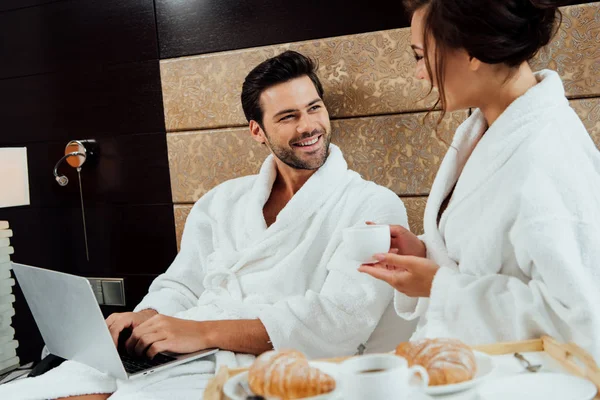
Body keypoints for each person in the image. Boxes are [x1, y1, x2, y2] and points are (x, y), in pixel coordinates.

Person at [2, 51, 409, 400]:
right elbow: (181, 284)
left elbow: (339, 322)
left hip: (278, 362)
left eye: (314, 108)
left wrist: (202, 332)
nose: (308, 126)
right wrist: (147, 320)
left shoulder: (370, 204)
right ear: (257, 131)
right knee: (43, 391)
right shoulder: (223, 200)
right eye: (287, 116)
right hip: (193, 346)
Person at [359, 0, 600, 361]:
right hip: (469, 368)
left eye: (420, 56)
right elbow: (493, 255)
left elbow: (580, 322)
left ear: (471, 51)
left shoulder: (546, 154)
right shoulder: (488, 130)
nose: (419, 74)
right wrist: (425, 252)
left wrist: (439, 286)